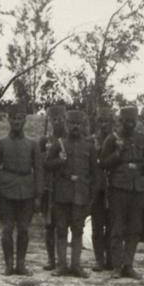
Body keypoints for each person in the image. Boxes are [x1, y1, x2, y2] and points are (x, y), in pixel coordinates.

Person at [99, 105, 144, 279]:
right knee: (117, 228)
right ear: (120, 121)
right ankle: (117, 266)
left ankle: (128, 265)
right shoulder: (112, 139)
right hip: (118, 189)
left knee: (135, 228)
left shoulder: (142, 140)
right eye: (126, 121)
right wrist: (117, 153)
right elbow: (103, 163)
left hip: (137, 189)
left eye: (132, 121)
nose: (129, 124)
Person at [0, 107, 43, 276]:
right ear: (9, 121)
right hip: (6, 191)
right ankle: (8, 264)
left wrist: (38, 195)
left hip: (27, 191)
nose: (16, 122)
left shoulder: (32, 144)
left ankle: (21, 264)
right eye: (13, 119)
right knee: (7, 229)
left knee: (24, 229)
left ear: (24, 121)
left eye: (19, 119)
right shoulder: (1, 143)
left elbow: (39, 170)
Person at [44, 109, 98, 277]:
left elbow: (94, 174)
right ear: (66, 125)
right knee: (61, 230)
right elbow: (47, 164)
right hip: (62, 195)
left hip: (80, 195)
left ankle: (76, 265)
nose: (75, 127)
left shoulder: (88, 146)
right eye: (72, 124)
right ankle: (61, 265)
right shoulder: (58, 144)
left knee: (78, 230)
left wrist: (91, 196)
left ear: (82, 126)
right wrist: (60, 160)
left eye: (78, 124)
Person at [40, 105, 67, 271]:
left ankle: (62, 259)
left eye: (60, 119)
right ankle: (51, 259)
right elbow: (42, 164)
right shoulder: (45, 141)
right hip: (49, 187)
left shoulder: (70, 140)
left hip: (65, 187)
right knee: (49, 226)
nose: (57, 122)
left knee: (63, 225)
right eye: (54, 119)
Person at [90, 106, 115, 271]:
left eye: (107, 121)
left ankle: (111, 259)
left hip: (114, 188)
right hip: (96, 189)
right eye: (101, 121)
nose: (104, 124)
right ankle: (99, 259)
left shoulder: (116, 140)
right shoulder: (92, 141)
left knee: (113, 226)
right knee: (97, 226)